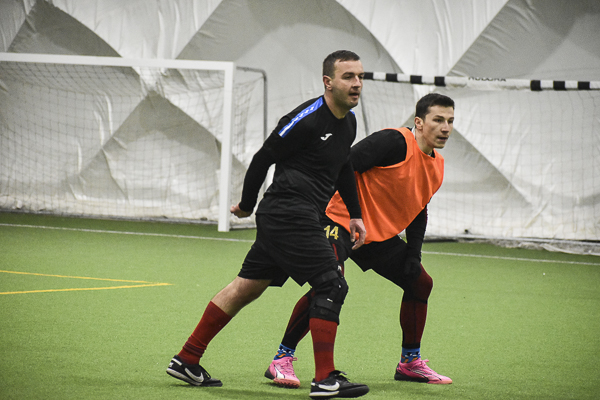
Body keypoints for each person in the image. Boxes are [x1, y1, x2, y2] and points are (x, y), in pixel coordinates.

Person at [166, 50, 370, 399]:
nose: (356, 84)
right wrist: (247, 205)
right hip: (288, 214)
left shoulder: (348, 122)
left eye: (360, 77)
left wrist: (355, 213)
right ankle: (325, 380)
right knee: (331, 284)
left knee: (246, 288)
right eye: (348, 77)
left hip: (295, 216)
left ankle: (187, 358)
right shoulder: (306, 119)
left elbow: (344, 166)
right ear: (328, 82)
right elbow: (263, 157)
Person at [264, 93, 455, 389]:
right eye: (438, 120)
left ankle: (409, 363)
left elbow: (419, 209)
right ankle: (281, 359)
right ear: (419, 122)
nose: (445, 128)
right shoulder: (393, 142)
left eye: (450, 121)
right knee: (329, 286)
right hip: (338, 220)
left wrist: (414, 255)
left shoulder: (437, 165)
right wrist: (332, 211)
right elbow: (344, 165)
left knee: (420, 282)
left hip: (374, 234)